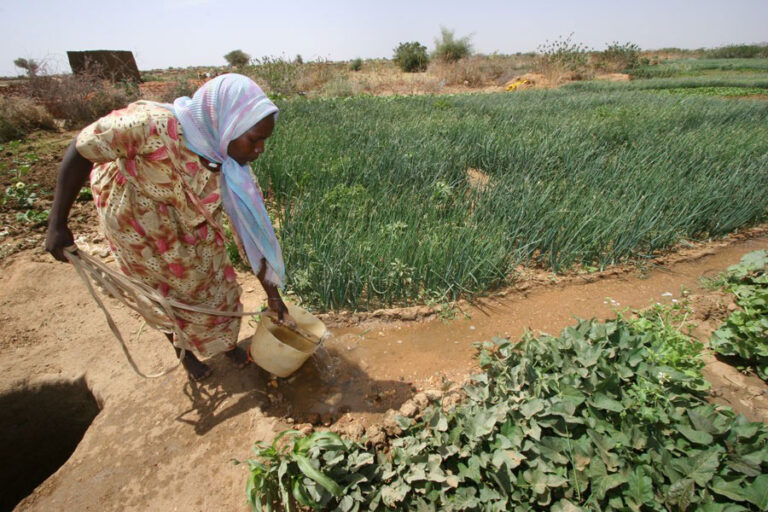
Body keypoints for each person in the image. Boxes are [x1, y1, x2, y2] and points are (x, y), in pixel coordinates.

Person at [45, 74, 293, 381]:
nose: (260, 150)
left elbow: (252, 237)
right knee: (159, 292)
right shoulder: (151, 126)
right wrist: (57, 223)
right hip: (136, 222)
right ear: (224, 123)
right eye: (253, 139)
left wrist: (273, 295)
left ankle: (225, 345)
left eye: (264, 141)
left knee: (215, 283)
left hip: (189, 222)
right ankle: (185, 355)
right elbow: (81, 147)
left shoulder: (233, 168)